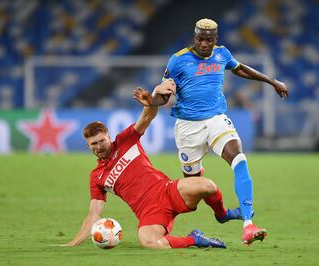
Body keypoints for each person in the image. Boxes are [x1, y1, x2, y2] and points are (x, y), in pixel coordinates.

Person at [156, 18, 289, 245]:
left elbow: (240, 69)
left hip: (217, 118)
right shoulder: (178, 60)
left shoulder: (222, 54)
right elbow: (164, 94)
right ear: (194, 37)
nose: (205, 44)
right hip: (188, 126)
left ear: (215, 39)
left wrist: (271, 81)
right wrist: (153, 99)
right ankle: (223, 215)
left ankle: (248, 224)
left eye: (209, 40)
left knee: (239, 158)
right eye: (200, 39)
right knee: (193, 191)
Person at [60, 80, 235, 249]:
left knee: (207, 185)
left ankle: (222, 214)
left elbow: (147, 116)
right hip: (149, 213)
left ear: (108, 136)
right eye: (94, 144)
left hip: (167, 191)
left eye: (101, 141)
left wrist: (150, 102)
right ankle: (194, 239)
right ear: (88, 146)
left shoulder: (125, 140)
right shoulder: (96, 177)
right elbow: (93, 214)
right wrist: (73, 243)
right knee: (149, 242)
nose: (99, 147)